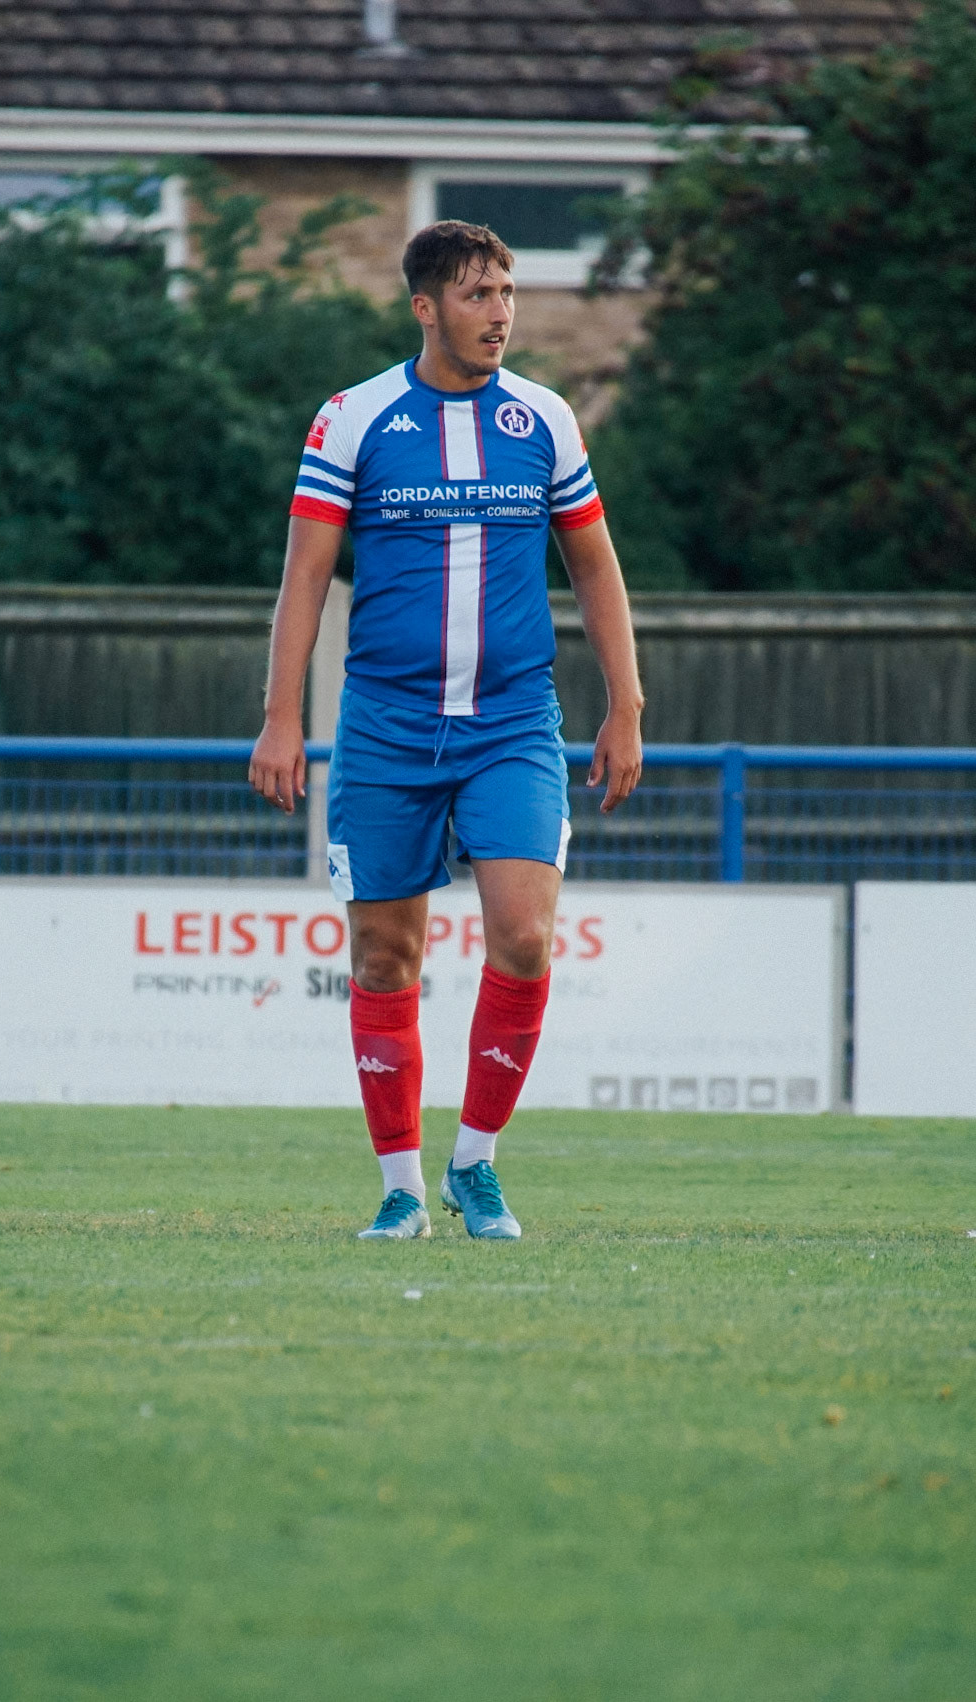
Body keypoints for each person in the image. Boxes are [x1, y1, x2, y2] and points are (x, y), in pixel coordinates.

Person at [249, 220, 643, 1241]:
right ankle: (400, 1188)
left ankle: (476, 1164)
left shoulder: (544, 419)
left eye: (506, 292)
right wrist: (282, 718)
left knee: (524, 935)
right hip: (386, 726)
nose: (499, 312)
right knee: (386, 956)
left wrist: (626, 705)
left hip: (512, 722)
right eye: (477, 295)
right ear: (425, 307)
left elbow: (593, 565)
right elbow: (304, 576)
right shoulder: (354, 418)